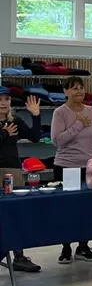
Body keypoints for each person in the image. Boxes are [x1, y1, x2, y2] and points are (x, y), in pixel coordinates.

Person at [52, 78, 92, 264]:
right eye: (74, 88)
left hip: (90, 167)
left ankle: (83, 246)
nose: (79, 91)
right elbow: (57, 141)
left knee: (87, 209)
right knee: (66, 210)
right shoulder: (60, 113)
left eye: (81, 88)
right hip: (66, 166)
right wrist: (78, 125)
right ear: (65, 92)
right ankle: (65, 247)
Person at [0, 90, 42, 272]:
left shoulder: (14, 121)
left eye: (6, 99)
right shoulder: (7, 127)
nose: (3, 103)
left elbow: (35, 137)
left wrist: (36, 115)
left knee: (16, 213)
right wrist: (3, 134)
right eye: (0, 99)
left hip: (12, 170)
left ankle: (19, 256)